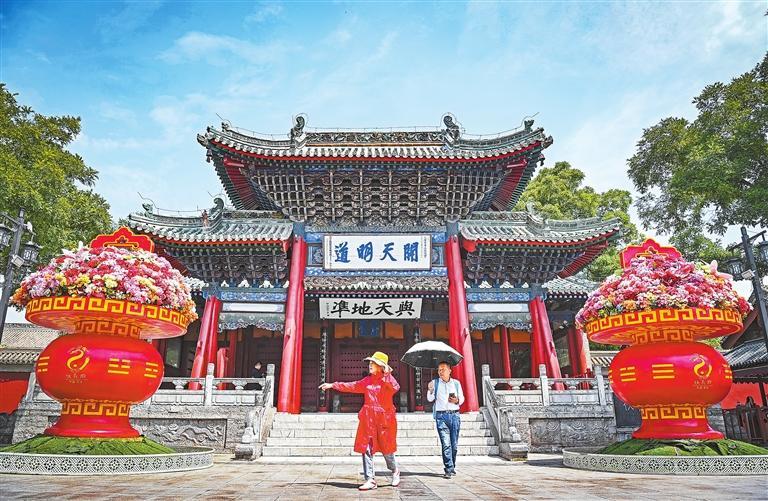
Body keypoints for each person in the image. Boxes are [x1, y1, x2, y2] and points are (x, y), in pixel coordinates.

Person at [320, 351, 401, 490]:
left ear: (381, 366)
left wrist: (387, 374)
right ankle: (370, 479)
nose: (370, 365)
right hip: (368, 419)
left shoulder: (387, 380)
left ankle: (394, 470)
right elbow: (352, 385)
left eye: (373, 363)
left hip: (384, 419)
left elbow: (395, 388)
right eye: (370, 363)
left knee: (387, 449)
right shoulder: (367, 381)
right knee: (367, 448)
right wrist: (333, 385)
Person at [427, 361, 464, 479]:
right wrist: (430, 390)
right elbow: (430, 399)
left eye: (443, 369)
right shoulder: (435, 383)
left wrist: (457, 400)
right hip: (441, 416)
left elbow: (462, 399)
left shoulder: (456, 383)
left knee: (454, 445)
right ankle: (448, 468)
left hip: (454, 415)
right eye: (439, 370)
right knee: (446, 443)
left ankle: (452, 466)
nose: (440, 372)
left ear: (449, 370)